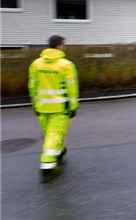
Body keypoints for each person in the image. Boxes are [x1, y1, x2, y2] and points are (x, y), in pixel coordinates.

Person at [28, 35, 79, 181]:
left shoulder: (36, 64)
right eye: (65, 44)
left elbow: (32, 86)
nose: (66, 47)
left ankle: (59, 152)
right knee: (54, 135)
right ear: (60, 45)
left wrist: (34, 104)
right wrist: (74, 107)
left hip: (41, 107)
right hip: (59, 108)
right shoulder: (66, 65)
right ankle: (47, 165)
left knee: (50, 134)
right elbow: (72, 89)